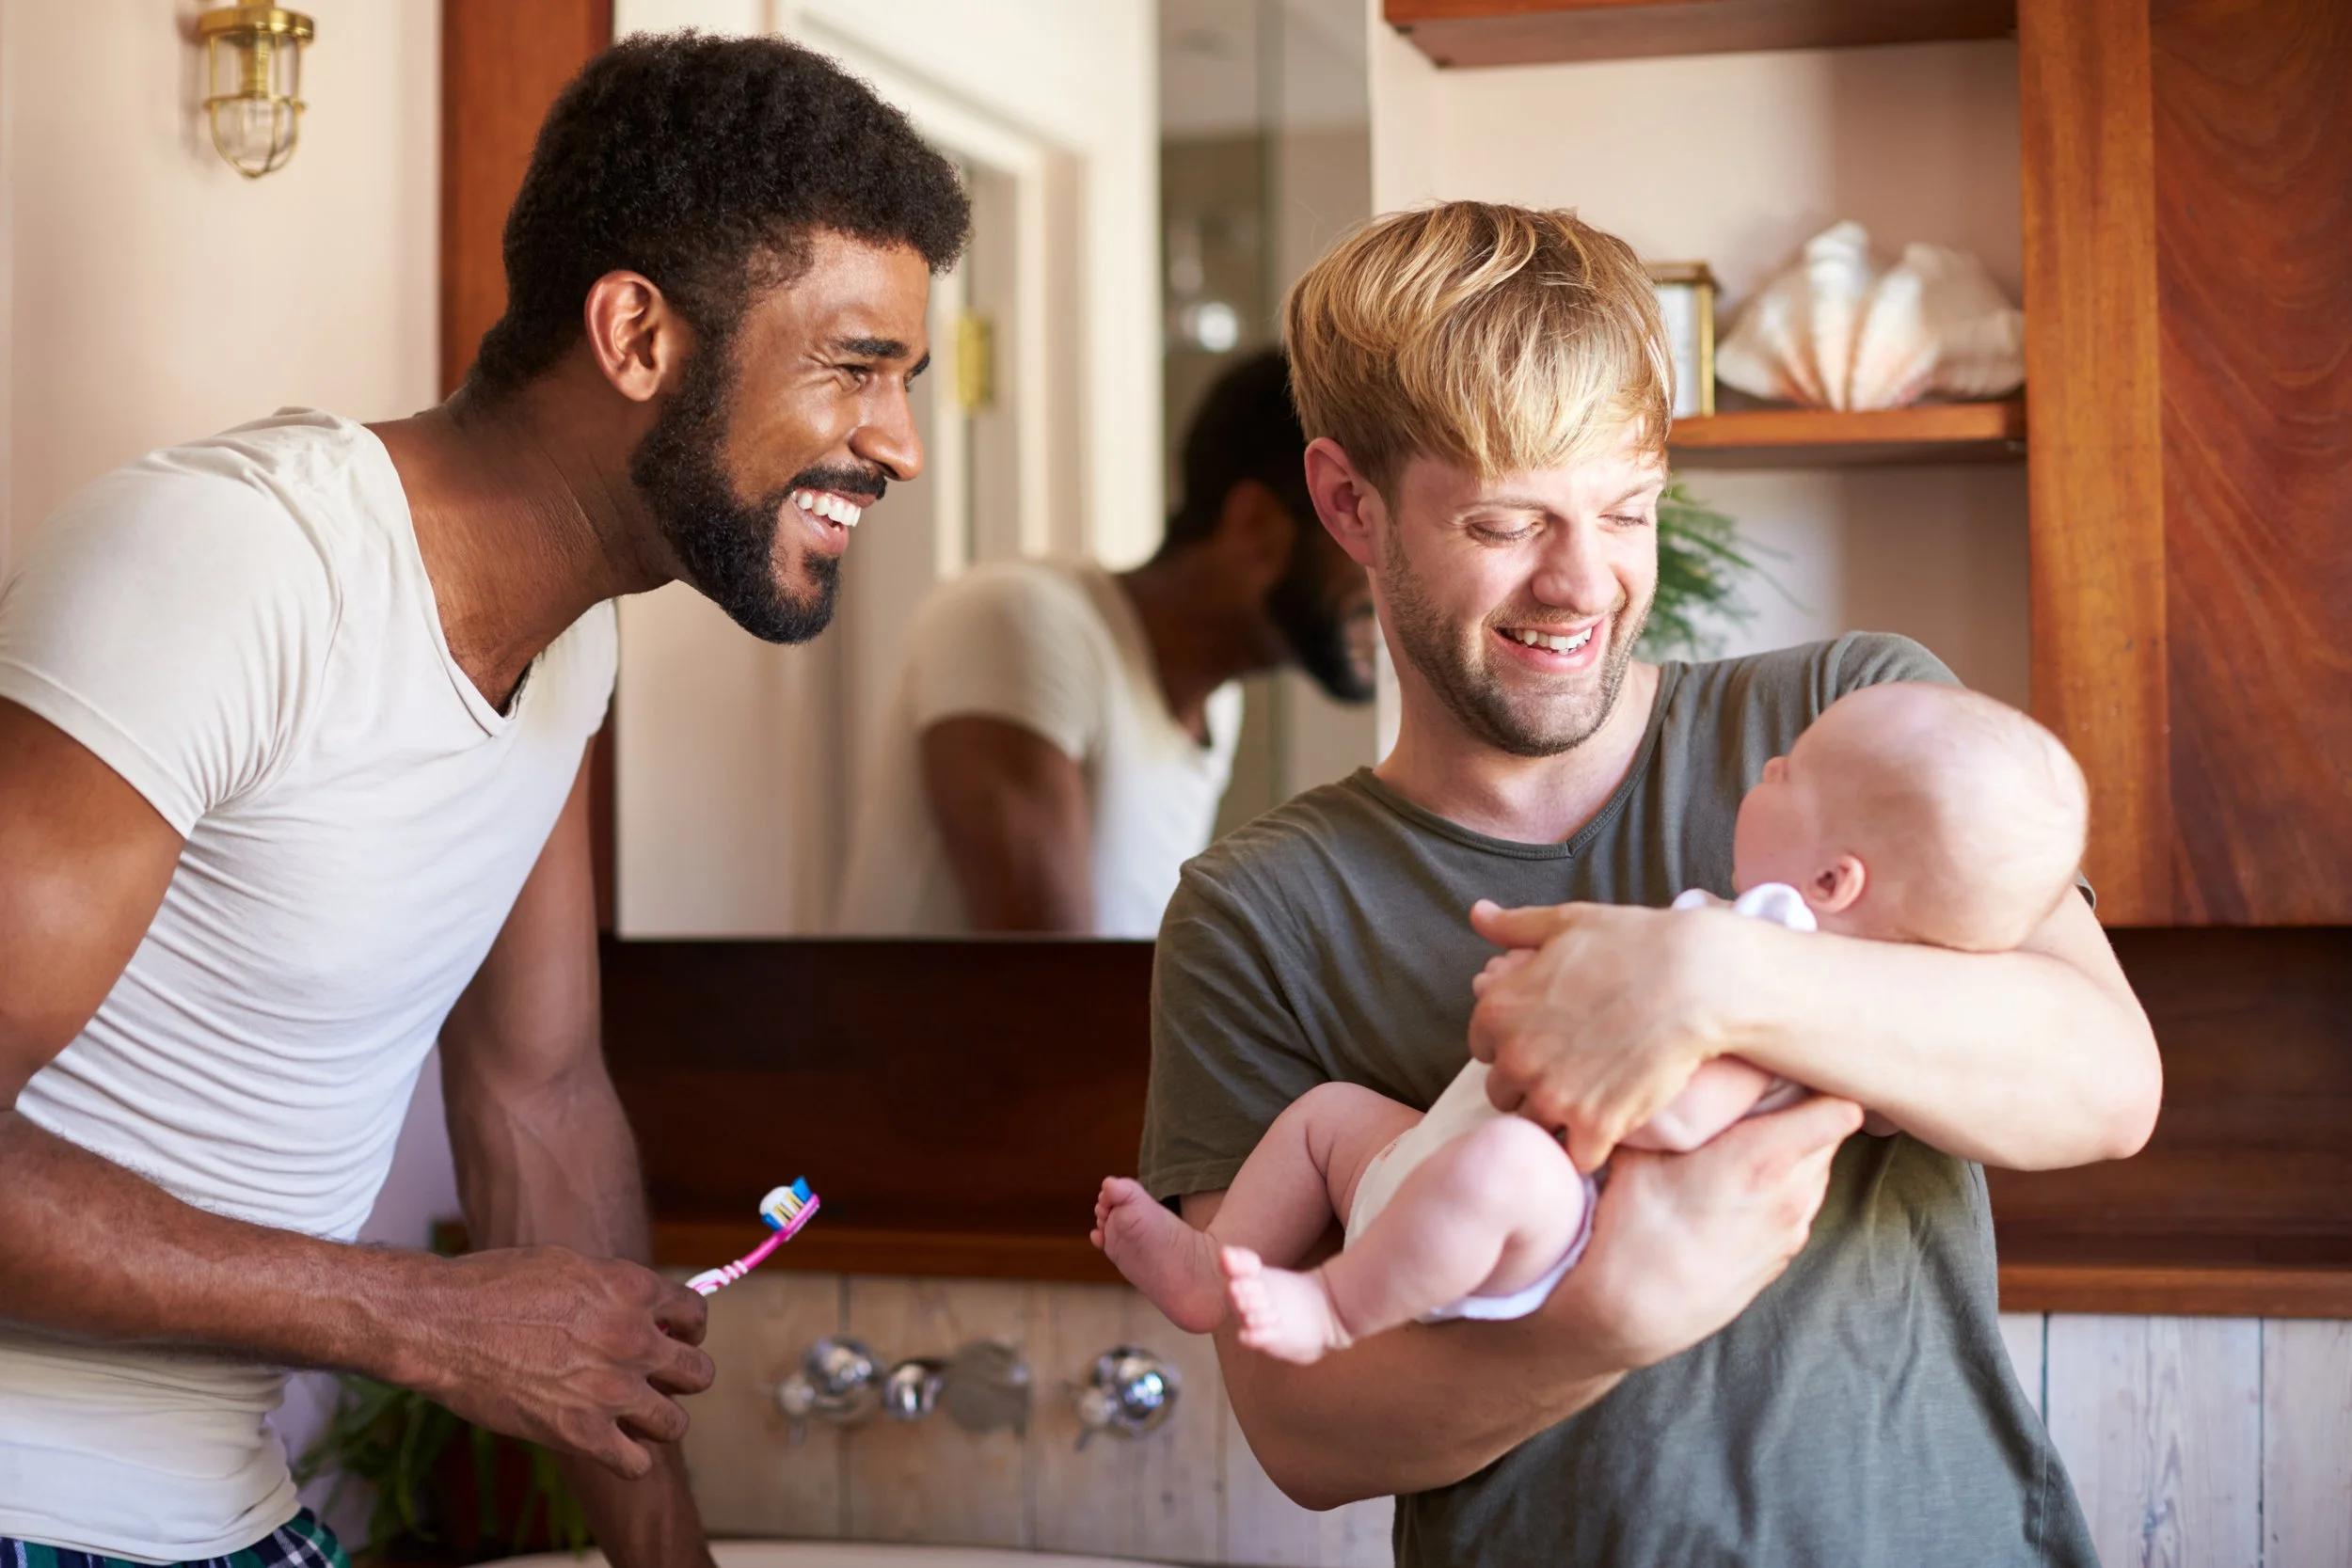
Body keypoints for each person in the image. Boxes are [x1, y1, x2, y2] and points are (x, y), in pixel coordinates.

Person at [0, 35, 967, 1568]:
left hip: (222, 1517)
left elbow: (541, 1101)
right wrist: (417, 1314)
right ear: (638, 333)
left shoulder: (567, 643)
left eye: (905, 378)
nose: (900, 441)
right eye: (856, 365)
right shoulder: (236, 566)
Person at [1136, 202, 2159, 1565]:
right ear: (1348, 504)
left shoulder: (1855, 729)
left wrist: (1717, 975)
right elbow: (1303, 1434)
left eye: (1626, 508)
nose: (1583, 581)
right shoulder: (1261, 908)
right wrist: (1601, 1322)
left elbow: (2104, 1082)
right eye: (1507, 519)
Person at [1098, 682, 2090, 1364]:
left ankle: (1333, 1303)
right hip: (1428, 1162)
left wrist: (1604, 1050)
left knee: (1504, 1169)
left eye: (1793, 773)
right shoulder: (1754, 923)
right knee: (1325, 1115)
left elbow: (1681, 1114)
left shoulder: (1799, 962)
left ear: (1833, 880)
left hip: (1544, 1225)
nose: (1770, 764)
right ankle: (1206, 1269)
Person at [835, 350, 1374, 937]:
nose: (1390, 575)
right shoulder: (1022, 619)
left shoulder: (1214, 703)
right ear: (1254, 526)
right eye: (1359, 523)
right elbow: (1057, 992)